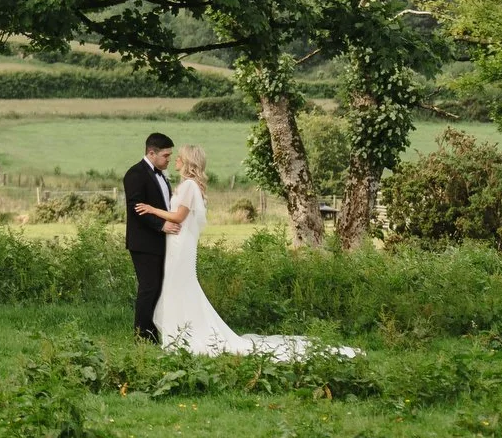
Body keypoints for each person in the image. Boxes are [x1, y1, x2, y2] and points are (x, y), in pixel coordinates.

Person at [143, 145, 356, 357]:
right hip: (176, 241)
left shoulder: (189, 186)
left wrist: (152, 210)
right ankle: (180, 334)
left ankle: (187, 335)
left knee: (180, 285)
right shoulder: (188, 185)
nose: (176, 160)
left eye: (179, 157)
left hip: (181, 244)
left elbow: (179, 217)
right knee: (177, 286)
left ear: (188, 161)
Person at [121, 131, 175, 341]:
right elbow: (137, 208)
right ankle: (141, 335)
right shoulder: (135, 174)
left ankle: (151, 332)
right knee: (149, 288)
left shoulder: (161, 174)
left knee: (158, 288)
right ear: (152, 153)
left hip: (161, 242)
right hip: (143, 242)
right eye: (166, 156)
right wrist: (162, 225)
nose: (169, 159)